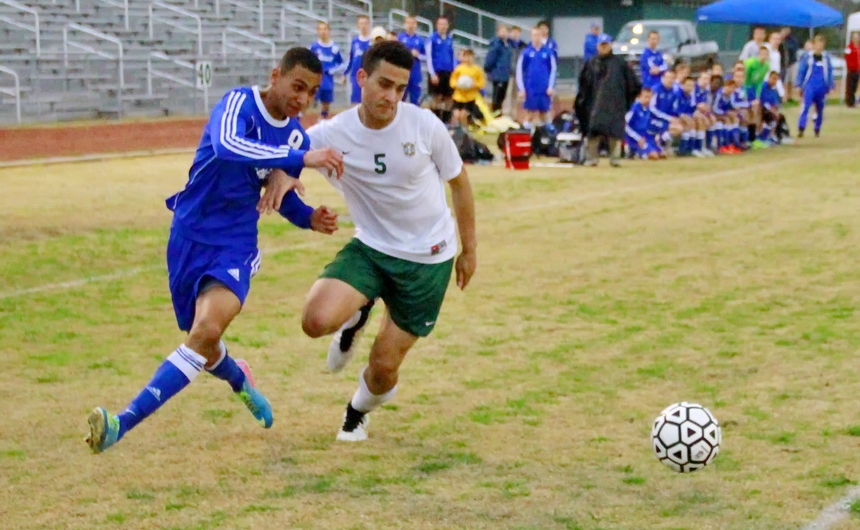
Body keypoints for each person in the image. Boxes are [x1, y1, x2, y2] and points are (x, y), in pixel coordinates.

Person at [84, 48, 345, 453]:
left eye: (310, 93)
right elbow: (227, 146)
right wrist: (298, 159)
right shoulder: (239, 102)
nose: (302, 99)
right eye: (297, 86)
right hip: (187, 232)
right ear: (275, 75)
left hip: (235, 244)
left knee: (205, 331)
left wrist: (310, 216)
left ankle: (120, 424)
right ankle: (240, 379)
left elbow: (280, 196)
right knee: (200, 342)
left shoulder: (296, 136)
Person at [301, 41, 477, 442]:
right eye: (384, 84)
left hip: (428, 260)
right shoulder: (333, 134)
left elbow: (460, 185)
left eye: (400, 88)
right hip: (372, 249)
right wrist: (284, 176)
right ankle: (356, 315)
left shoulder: (424, 125)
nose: (392, 97)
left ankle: (357, 410)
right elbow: (287, 156)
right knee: (314, 321)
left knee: (383, 369)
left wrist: (470, 250)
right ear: (361, 78)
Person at [575, 33, 640, 167]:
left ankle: (615, 158)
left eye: (606, 44)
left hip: (615, 105)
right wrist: (583, 103)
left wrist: (624, 102)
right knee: (593, 132)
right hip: (594, 105)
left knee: (614, 132)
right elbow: (583, 86)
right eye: (601, 45)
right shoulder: (591, 63)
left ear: (610, 45)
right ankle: (592, 158)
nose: (604, 47)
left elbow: (633, 84)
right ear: (597, 46)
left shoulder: (620, 64)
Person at [516, 27, 557, 129]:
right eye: (534, 35)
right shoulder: (526, 53)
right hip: (530, 89)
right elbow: (519, 71)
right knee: (529, 114)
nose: (536, 38)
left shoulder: (548, 52)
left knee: (545, 114)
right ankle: (527, 135)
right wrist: (521, 89)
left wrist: (551, 87)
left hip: (544, 89)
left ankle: (547, 136)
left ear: (542, 36)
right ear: (531, 37)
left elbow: (553, 70)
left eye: (538, 35)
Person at [797, 35, 834, 138]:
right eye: (818, 43)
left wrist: (830, 85)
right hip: (810, 85)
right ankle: (801, 128)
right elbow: (802, 71)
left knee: (820, 109)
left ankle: (817, 128)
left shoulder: (826, 58)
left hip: (822, 86)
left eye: (821, 44)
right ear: (814, 44)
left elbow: (830, 71)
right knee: (806, 106)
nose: (820, 46)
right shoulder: (807, 57)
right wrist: (799, 85)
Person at [309, 21, 344, 119]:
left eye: (325, 29)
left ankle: (323, 120)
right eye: (320, 29)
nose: (323, 32)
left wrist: (334, 71)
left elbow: (341, 64)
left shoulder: (334, 48)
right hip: (315, 78)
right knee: (311, 101)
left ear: (329, 31)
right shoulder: (314, 47)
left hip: (328, 79)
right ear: (317, 31)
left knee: (326, 104)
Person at [426, 16, 455, 123]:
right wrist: (432, 73)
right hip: (436, 72)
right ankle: (434, 120)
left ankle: (446, 121)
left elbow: (452, 56)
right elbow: (428, 57)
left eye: (445, 24)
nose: (443, 26)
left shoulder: (449, 39)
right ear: (437, 25)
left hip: (448, 73)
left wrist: (454, 72)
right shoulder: (432, 39)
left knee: (448, 97)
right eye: (440, 24)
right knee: (436, 97)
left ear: (447, 26)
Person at [649, 69, 683, 156]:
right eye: (668, 77)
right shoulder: (656, 90)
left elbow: (675, 109)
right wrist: (669, 118)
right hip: (653, 118)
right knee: (674, 127)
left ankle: (660, 141)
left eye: (672, 78)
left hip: (666, 119)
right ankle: (658, 144)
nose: (670, 80)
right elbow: (652, 109)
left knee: (680, 127)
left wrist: (676, 118)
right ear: (663, 78)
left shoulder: (675, 92)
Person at [450, 48, 485, 128]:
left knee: (463, 115)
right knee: (456, 115)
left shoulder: (477, 70)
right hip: (458, 96)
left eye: (470, 56)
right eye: (466, 56)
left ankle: (464, 131)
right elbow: (452, 81)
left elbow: (482, 83)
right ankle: (452, 130)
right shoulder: (459, 69)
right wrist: (457, 84)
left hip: (469, 98)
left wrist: (473, 85)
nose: (468, 58)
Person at [625, 87, 660, 160]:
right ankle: (633, 150)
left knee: (662, 154)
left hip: (645, 136)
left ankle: (640, 152)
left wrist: (656, 134)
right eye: (646, 97)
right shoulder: (634, 108)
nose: (648, 99)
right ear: (639, 97)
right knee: (653, 156)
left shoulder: (649, 109)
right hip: (634, 137)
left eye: (650, 97)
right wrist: (638, 138)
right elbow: (625, 125)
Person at [483, 25, 512, 113]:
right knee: (496, 97)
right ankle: (495, 115)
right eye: (501, 31)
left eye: (505, 31)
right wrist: (488, 70)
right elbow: (490, 59)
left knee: (502, 97)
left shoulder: (508, 45)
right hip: (498, 75)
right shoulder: (496, 45)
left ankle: (499, 114)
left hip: (505, 75)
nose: (503, 33)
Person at [398, 15, 425, 105]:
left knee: (415, 99)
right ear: (404, 24)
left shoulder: (420, 40)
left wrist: (418, 55)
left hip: (415, 73)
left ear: (416, 25)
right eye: (408, 23)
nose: (410, 25)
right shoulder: (400, 38)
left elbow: (425, 56)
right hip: (402, 71)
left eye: (413, 23)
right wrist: (409, 53)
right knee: (401, 98)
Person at [345, 15, 372, 107]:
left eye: (365, 23)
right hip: (356, 74)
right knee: (356, 101)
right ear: (358, 26)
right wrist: (345, 73)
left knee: (369, 99)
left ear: (369, 25)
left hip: (369, 74)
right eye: (361, 24)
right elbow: (351, 58)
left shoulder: (372, 41)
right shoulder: (354, 41)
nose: (363, 26)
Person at [504, 26, 527, 116]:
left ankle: (513, 114)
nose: (515, 34)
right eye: (513, 32)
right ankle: (506, 113)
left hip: (519, 74)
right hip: (508, 73)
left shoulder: (523, 46)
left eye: (517, 32)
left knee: (516, 95)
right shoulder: (506, 45)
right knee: (507, 94)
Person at [780, 27, 800, 102]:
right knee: (784, 81)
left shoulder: (792, 40)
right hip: (783, 63)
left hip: (791, 62)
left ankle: (790, 96)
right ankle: (783, 97)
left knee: (791, 81)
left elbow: (793, 48)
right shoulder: (780, 40)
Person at [845, 32, 860, 108]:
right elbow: (847, 58)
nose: (856, 39)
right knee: (850, 87)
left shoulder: (858, 48)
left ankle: (853, 102)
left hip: (857, 70)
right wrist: (850, 66)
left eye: (857, 37)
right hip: (851, 70)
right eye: (855, 37)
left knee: (854, 87)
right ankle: (849, 102)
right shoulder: (849, 48)